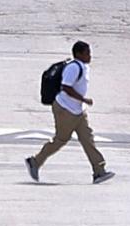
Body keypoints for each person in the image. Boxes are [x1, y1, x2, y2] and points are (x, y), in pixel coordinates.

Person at [25, 41, 114, 184]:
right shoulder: (73, 68)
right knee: (61, 140)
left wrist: (82, 103)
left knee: (88, 139)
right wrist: (83, 99)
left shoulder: (83, 67)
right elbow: (66, 87)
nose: (89, 56)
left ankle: (99, 171)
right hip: (65, 109)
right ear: (79, 54)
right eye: (86, 53)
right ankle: (34, 162)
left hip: (78, 111)